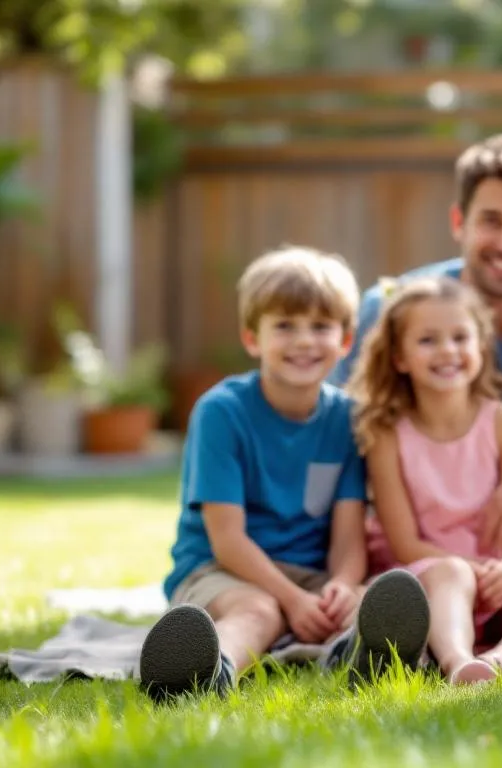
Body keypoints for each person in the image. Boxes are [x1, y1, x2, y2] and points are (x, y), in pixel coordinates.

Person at [139, 246, 431, 703]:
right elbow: (227, 539)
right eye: (285, 326)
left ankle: (355, 658)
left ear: (345, 341)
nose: (303, 341)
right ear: (253, 338)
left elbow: (349, 535)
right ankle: (210, 674)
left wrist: (339, 583)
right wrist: (291, 601)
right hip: (220, 568)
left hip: (309, 575)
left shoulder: (349, 420)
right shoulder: (222, 412)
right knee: (259, 610)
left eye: (320, 327)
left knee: (362, 599)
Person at [329, 132, 502, 579]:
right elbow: (334, 440)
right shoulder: (391, 310)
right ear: (459, 222)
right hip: (418, 529)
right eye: (492, 221)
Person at [345, 275, 502, 684]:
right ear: (399, 358)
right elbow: (403, 542)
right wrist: (469, 569)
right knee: (453, 575)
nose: (447, 351)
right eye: (428, 340)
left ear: (480, 346)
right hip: (431, 574)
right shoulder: (386, 434)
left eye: (460, 337)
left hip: (499, 580)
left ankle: (500, 660)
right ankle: (457, 661)